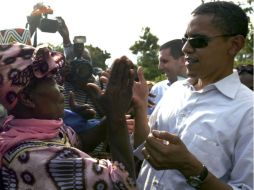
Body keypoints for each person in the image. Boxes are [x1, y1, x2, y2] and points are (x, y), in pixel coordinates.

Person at [132, 1, 253, 189]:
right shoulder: (175, 91)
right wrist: (139, 108)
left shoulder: (248, 112)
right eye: (185, 39)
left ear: (234, 45)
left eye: (198, 41)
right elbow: (144, 148)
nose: (186, 49)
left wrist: (191, 168)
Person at [0, 43, 136, 189]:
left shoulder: (35, 130)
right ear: (27, 98)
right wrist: (116, 117)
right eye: (51, 80)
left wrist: (110, 116)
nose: (61, 87)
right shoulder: (39, 159)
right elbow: (123, 182)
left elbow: (78, 142)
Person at [148, 39, 186, 114]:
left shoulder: (202, 90)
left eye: (164, 61)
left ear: (183, 60)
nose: (160, 67)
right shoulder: (157, 90)